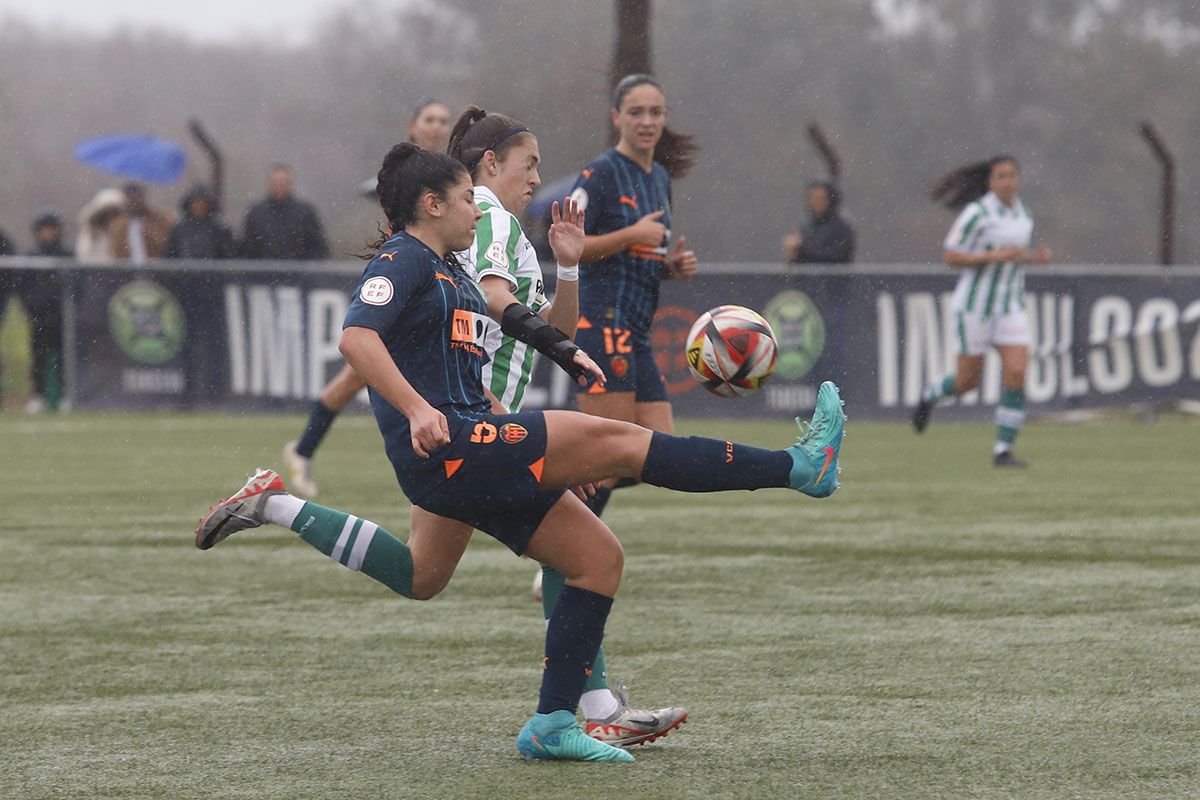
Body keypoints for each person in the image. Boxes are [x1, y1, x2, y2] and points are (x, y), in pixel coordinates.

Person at [194, 142, 847, 763]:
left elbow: (452, 366)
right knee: (624, 443)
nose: (475, 209)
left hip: (468, 443)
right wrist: (421, 411)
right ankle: (799, 467)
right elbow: (358, 342)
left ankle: (553, 722)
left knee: (583, 560)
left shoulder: (451, 271)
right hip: (452, 448)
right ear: (431, 205)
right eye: (463, 199)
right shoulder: (403, 259)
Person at [560, 72, 697, 591]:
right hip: (600, 324)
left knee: (653, 452)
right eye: (636, 112)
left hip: (635, 331)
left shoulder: (658, 177)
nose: (647, 122)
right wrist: (631, 235)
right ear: (616, 117)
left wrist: (670, 265)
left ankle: (561, 528)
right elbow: (569, 245)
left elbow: (639, 256)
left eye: (655, 113)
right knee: (610, 455)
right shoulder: (598, 174)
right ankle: (561, 550)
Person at [283, 99, 449, 495]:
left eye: (444, 120)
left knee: (357, 376)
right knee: (360, 368)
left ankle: (303, 450)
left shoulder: (449, 172)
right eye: (429, 119)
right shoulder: (404, 171)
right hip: (402, 281)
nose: (437, 127)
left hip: (430, 282)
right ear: (411, 124)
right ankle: (307, 451)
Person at [912, 155, 1052, 467]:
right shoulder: (977, 213)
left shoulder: (1023, 215)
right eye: (1001, 176)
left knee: (1016, 372)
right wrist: (996, 256)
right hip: (974, 306)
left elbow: (1011, 256)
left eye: (1012, 175)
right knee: (966, 382)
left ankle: (1003, 450)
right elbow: (951, 256)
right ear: (990, 182)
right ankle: (929, 395)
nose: (1008, 181)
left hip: (1010, 305)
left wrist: (1032, 258)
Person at [21, 212, 72, 412]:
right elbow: (23, 288)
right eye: (44, 229)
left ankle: (66, 396)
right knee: (38, 357)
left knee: (64, 357)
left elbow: (78, 287)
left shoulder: (67, 256)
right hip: (39, 317)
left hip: (63, 317)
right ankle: (38, 395)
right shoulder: (31, 258)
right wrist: (32, 308)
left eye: (52, 229)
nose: (48, 233)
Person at [239, 164, 328, 260]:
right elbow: (247, 248)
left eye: (283, 183)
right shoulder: (255, 212)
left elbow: (318, 247)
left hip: (298, 273)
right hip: (263, 273)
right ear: (269, 184)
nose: (279, 186)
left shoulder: (306, 212)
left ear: (290, 184)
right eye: (275, 183)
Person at [782, 181, 856, 264]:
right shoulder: (805, 223)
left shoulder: (842, 224)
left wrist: (802, 247)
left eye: (821, 198)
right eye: (812, 197)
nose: (815, 202)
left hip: (833, 276)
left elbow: (834, 255)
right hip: (807, 275)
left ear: (830, 199)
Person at [165, 184, 235, 259]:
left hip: (212, 269)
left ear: (209, 205)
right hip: (185, 269)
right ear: (189, 204)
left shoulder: (220, 228)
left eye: (202, 202)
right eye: (195, 203)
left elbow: (228, 257)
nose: (199, 206)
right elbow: (169, 255)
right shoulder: (179, 229)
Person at [109, 182, 174, 262]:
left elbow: (166, 245)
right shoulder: (118, 223)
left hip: (156, 268)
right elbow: (116, 250)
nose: (134, 202)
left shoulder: (160, 219)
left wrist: (149, 232)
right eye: (131, 198)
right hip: (127, 270)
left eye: (137, 197)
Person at [74, 188, 126, 263]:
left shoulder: (124, 232)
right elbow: (84, 255)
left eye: (115, 213)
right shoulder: (91, 232)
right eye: (107, 212)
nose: (110, 217)